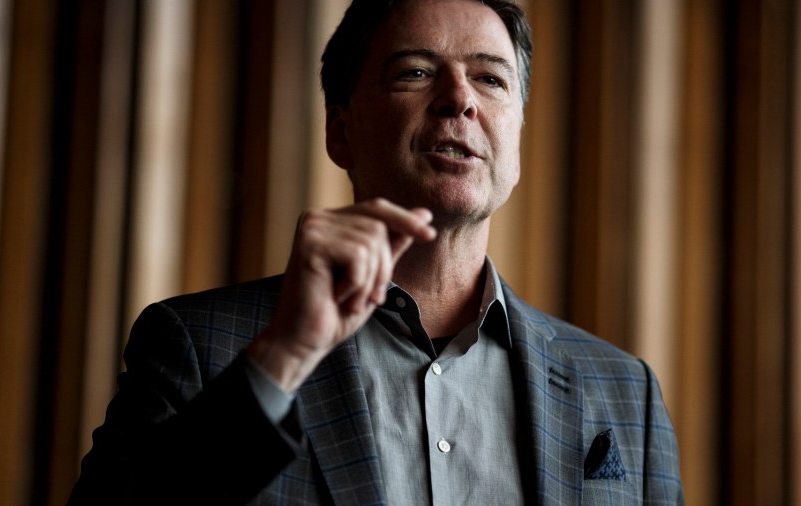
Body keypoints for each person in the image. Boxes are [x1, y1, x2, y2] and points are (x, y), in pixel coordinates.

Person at [69, 0, 684, 504]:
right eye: (415, 71)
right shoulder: (198, 346)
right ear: (340, 132)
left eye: (490, 78)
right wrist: (283, 358)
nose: (459, 99)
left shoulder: (625, 392)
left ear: (517, 134)